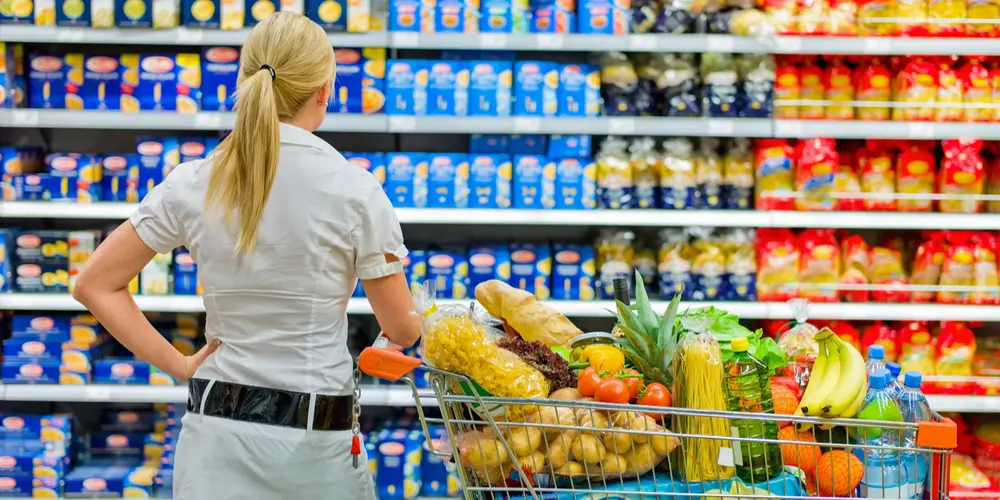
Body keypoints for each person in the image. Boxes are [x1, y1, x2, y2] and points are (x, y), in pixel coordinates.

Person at [73, 12, 421, 500]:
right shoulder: (355, 190)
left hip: (213, 441)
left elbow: (94, 283)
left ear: (245, 79)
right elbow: (404, 330)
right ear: (324, 90)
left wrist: (179, 364)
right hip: (314, 446)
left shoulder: (194, 181)